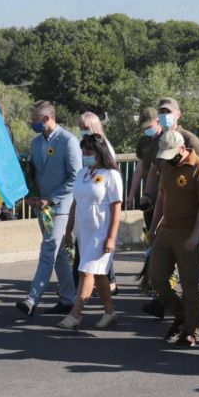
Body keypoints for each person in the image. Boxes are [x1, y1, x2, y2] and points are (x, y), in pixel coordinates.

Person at [146, 129, 199, 346]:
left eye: (173, 155)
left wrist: (196, 235)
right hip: (166, 231)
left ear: (183, 148)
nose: (170, 160)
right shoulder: (166, 166)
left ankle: (191, 329)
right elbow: (161, 197)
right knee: (156, 278)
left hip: (189, 233)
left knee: (190, 286)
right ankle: (180, 314)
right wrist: (153, 227)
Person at [18, 101, 81, 319]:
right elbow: (35, 172)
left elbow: (76, 177)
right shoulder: (36, 143)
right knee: (59, 254)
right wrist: (31, 194)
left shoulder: (69, 141)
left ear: (47, 118)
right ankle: (68, 298)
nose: (32, 124)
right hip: (41, 207)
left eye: (35, 120)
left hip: (61, 206)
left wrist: (51, 199)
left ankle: (32, 299)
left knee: (48, 250)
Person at [61, 133, 123, 331]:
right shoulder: (82, 173)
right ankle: (110, 311)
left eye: (89, 151)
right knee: (98, 275)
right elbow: (75, 203)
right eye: (84, 151)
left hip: (101, 232)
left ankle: (75, 314)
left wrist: (111, 237)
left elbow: (116, 207)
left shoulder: (110, 175)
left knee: (86, 271)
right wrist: (69, 230)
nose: (85, 154)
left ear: (100, 152)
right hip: (84, 231)